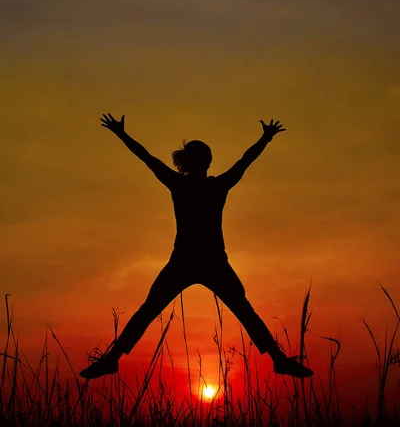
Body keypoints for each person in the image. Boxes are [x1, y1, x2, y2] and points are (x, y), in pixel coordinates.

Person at [79, 114, 314, 380]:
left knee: (151, 310)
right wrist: (265, 139)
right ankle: (279, 359)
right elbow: (244, 161)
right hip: (204, 262)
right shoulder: (215, 185)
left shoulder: (182, 184)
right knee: (242, 311)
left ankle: (111, 359)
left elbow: (148, 158)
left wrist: (122, 135)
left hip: (191, 261)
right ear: (207, 161)